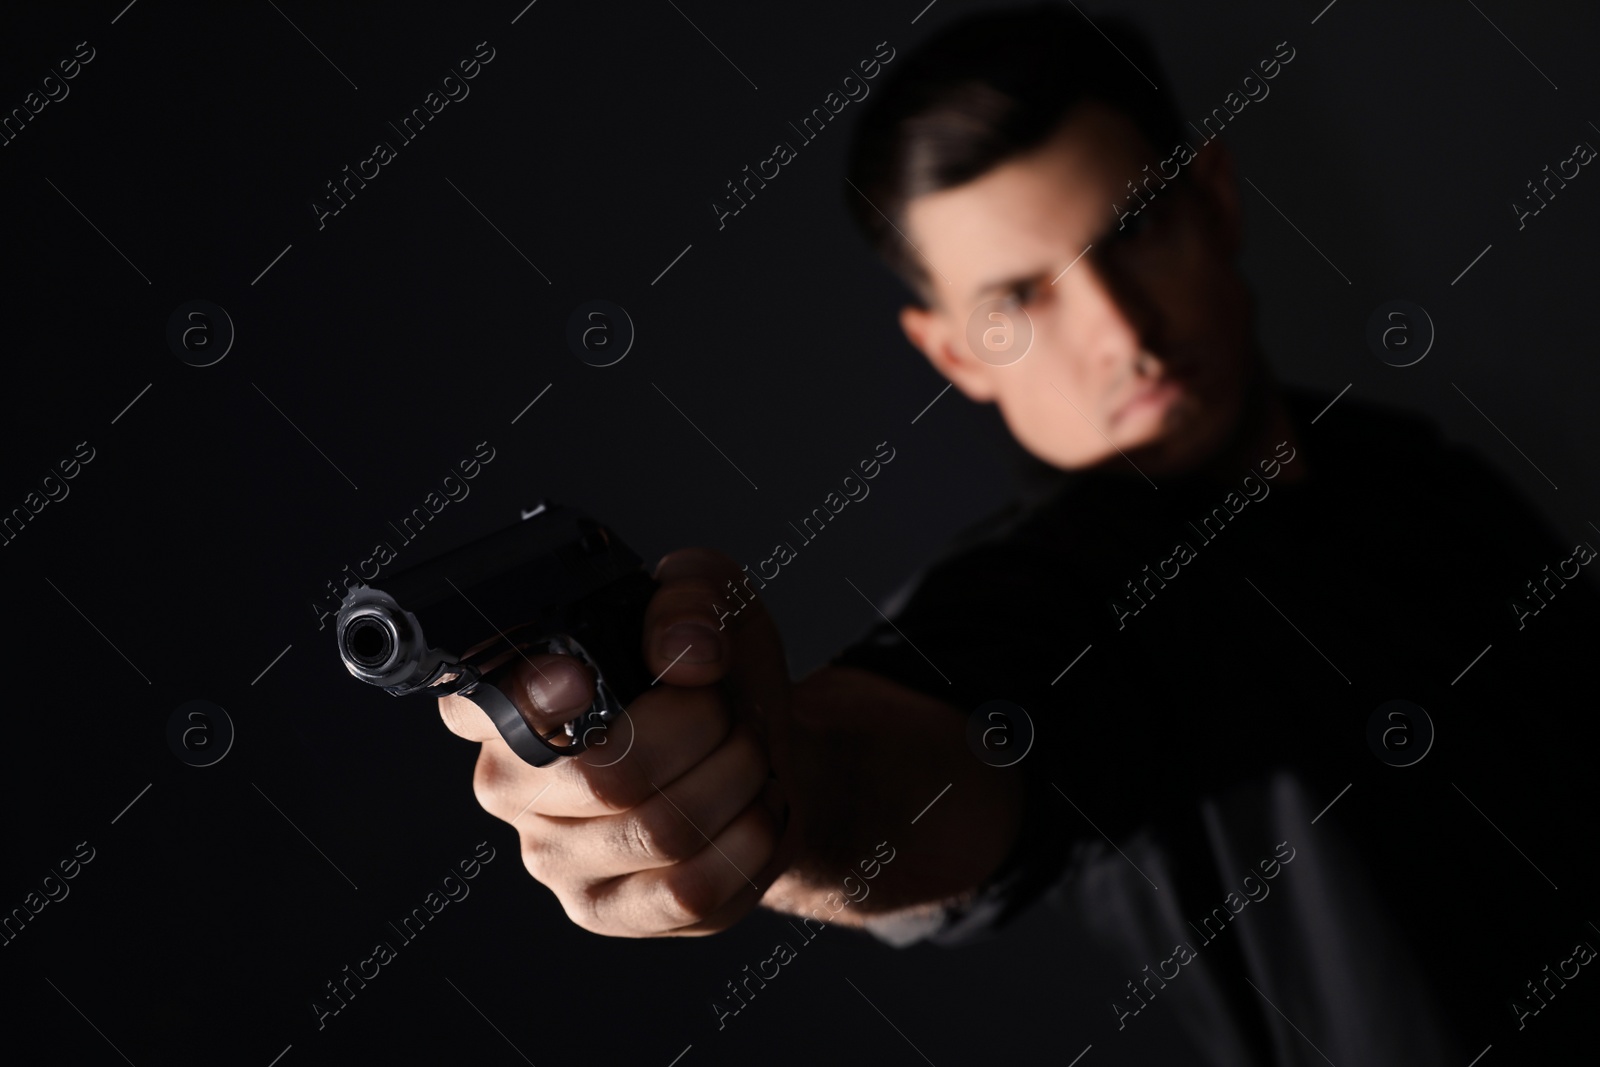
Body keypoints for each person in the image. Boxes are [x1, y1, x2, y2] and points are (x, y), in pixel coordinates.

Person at [439, 6, 1600, 1061]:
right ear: (952, 353)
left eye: (1136, 228)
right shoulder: (1068, 593)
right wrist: (773, 779)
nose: (1120, 331)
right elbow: (936, 748)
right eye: (1019, 299)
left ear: (1216, 200)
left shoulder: (1421, 471)